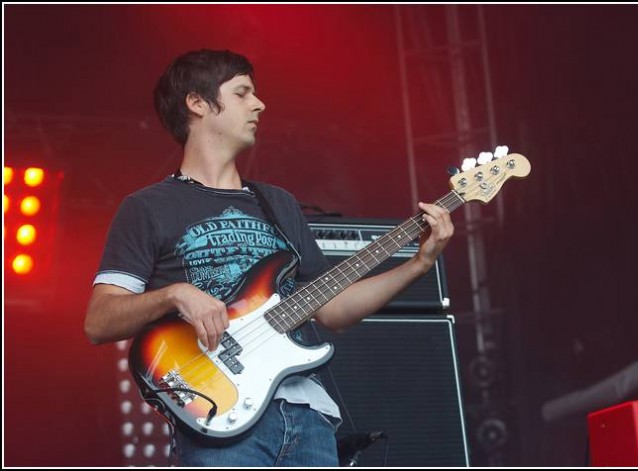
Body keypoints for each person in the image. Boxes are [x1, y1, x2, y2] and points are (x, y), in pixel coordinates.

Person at [84, 49, 454, 467]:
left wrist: (418, 264)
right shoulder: (148, 207)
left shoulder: (277, 203)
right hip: (219, 418)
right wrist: (175, 295)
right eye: (242, 93)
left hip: (308, 418)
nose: (259, 104)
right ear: (198, 103)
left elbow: (332, 309)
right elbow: (99, 321)